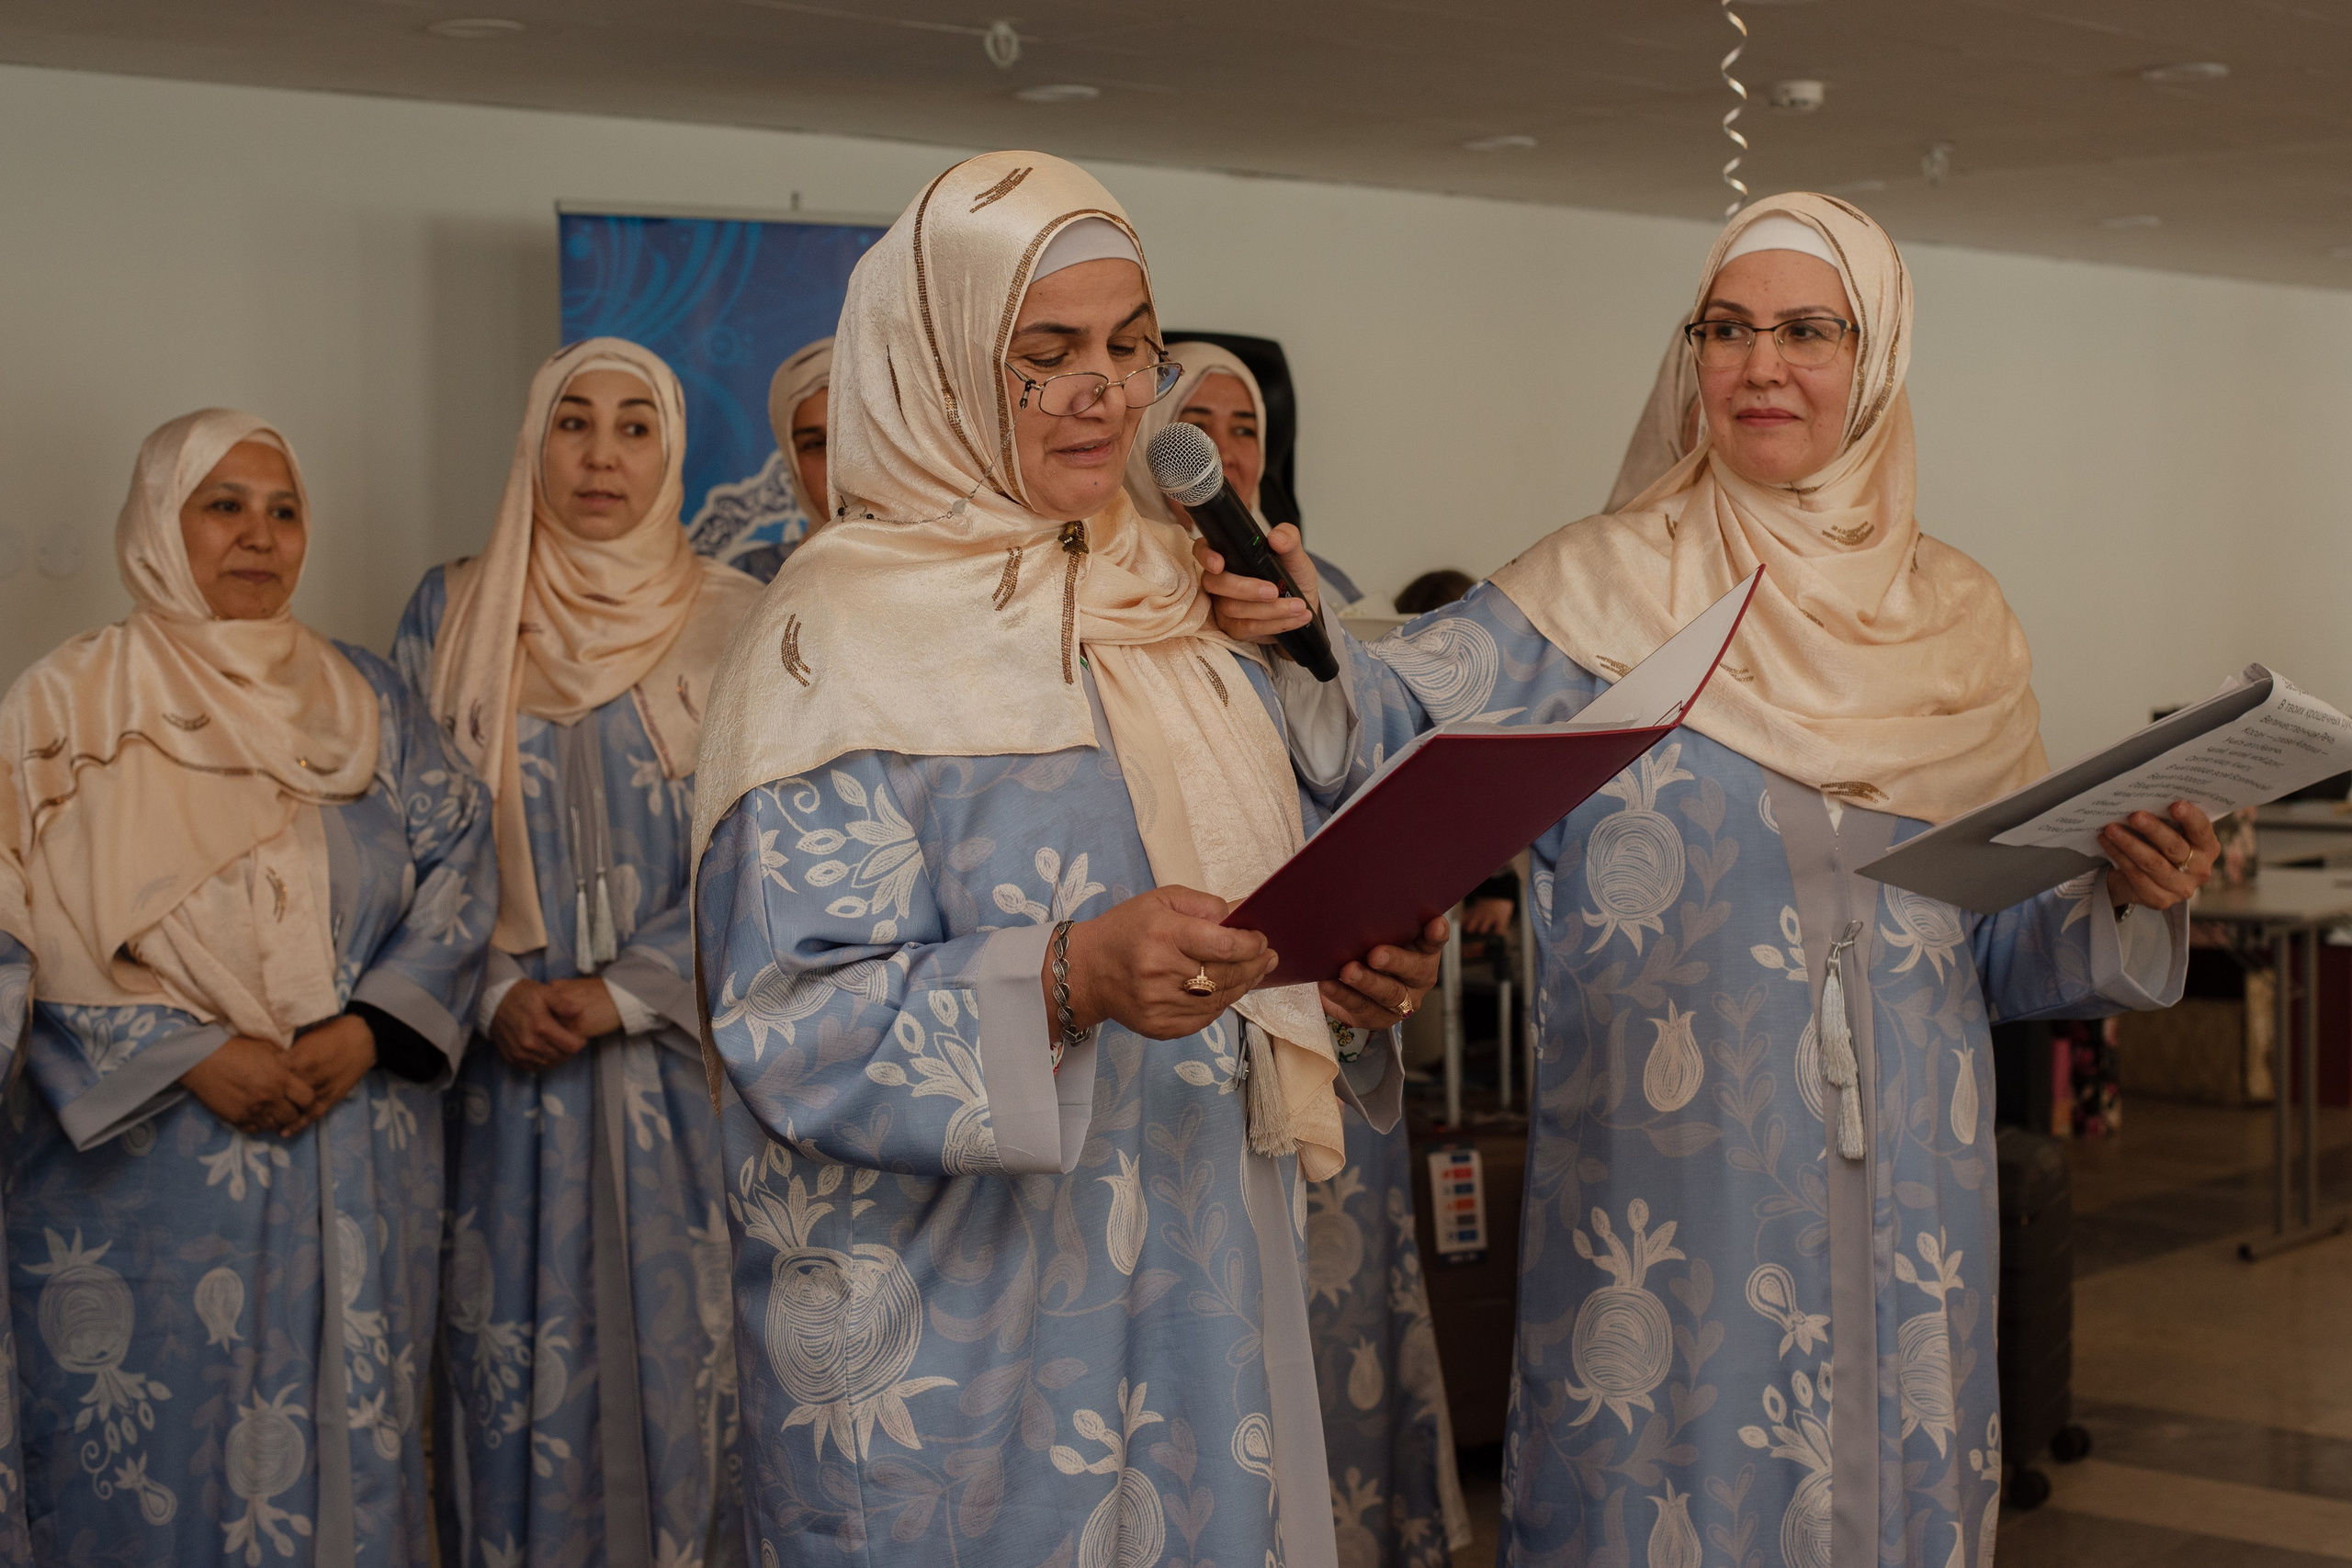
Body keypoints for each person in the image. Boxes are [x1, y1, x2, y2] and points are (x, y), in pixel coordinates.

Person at [1206, 193, 2215, 1567]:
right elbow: (1376, 724)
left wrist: (2131, 894)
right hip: (1675, 1206)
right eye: (1727, 329)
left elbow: (2001, 943)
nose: (1761, 365)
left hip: (1919, 1201)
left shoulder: (1964, 623)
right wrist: (1301, 626)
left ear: (1876, 361)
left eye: (1808, 330)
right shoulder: (1596, 594)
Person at [691, 151, 1445, 1568]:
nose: (1104, 389)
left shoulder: (1183, 596)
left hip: (1200, 1250)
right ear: (936, 367)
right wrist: (1064, 978)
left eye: (1128, 346)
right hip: (967, 1330)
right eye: (1045, 356)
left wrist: (1356, 958)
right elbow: (787, 1016)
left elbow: (1302, 863)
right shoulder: (832, 638)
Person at [0, 410, 495, 1563]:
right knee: (145, 1460)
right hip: (140, 1175)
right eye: (223, 506)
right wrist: (186, 1053)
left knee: (344, 1453)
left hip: (351, 1148)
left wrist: (374, 1027)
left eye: (284, 510)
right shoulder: (60, 708)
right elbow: (15, 920)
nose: (259, 537)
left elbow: (459, 859)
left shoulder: (366, 702)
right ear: (159, 525)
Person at [396, 340, 762, 1568]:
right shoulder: (455, 609)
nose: (602, 454)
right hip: (500, 1086)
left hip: (685, 1075)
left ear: (672, 451)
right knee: (505, 1363)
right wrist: (494, 983)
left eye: (634, 426)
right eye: (574, 423)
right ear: (532, 442)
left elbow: (767, 857)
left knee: (695, 1355)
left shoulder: (742, 619)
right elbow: (408, 832)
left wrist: (620, 992)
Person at [1127, 342, 1468, 1567]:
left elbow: (1366, 807)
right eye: (1190, 420)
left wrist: (1394, 941)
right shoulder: (1088, 615)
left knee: (1323, 1372)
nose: (1220, 449)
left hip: (1320, 1054)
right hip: (1157, 1067)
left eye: (1245, 426)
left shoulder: (1313, 604)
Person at [1127, 340, 1364, 608]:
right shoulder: (1106, 583)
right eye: (1195, 427)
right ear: (1142, 444)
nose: (1223, 454)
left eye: (1243, 431)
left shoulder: (1317, 576)